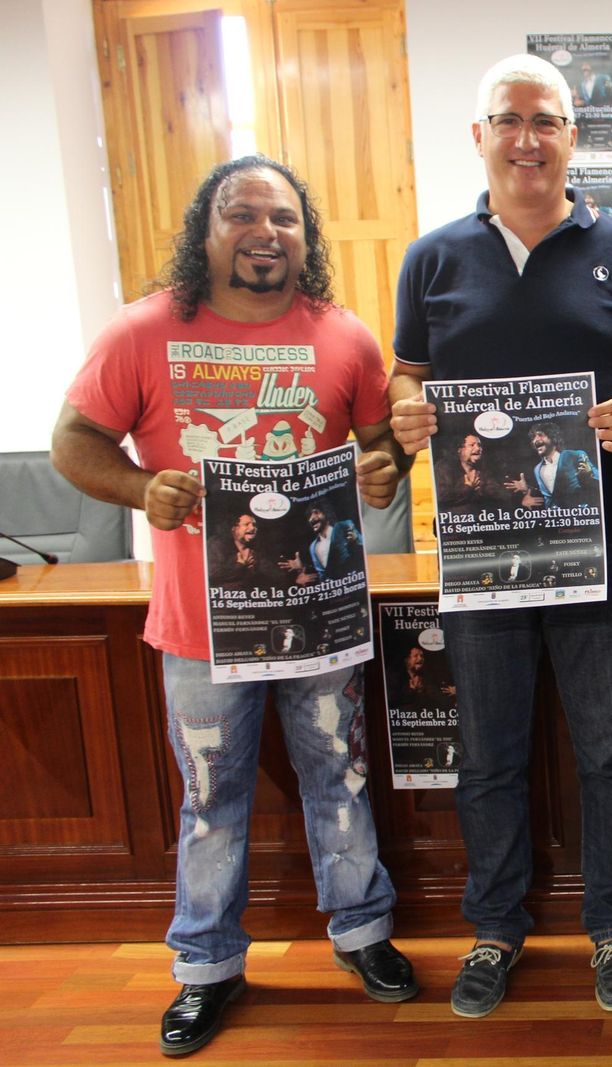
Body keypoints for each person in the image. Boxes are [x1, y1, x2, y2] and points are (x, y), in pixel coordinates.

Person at [51, 154, 416, 1057]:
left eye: (284, 217)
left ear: (306, 235)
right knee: (211, 795)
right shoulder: (141, 332)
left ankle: (363, 936)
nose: (265, 231)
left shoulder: (347, 337)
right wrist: (143, 491)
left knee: (343, 776)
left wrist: (385, 469)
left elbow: (381, 448)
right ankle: (207, 967)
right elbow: (73, 443)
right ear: (204, 231)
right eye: (242, 214)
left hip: (322, 616)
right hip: (202, 627)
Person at [387, 54, 612, 1018]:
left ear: (572, 136)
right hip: (482, 552)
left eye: (546, 120)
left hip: (602, 540)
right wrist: (403, 411)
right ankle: (495, 930)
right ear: (478, 135)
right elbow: (405, 375)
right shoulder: (432, 257)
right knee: (490, 753)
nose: (527, 137)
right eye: (508, 119)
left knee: (608, 748)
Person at [508, 421, 598, 509]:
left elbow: (599, 481)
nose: (535, 440)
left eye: (540, 435)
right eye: (533, 438)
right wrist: (526, 490)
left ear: (553, 437)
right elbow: (551, 495)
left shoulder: (574, 456)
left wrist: (589, 474)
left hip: (578, 516)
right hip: (554, 518)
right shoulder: (537, 469)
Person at [282, 501, 362, 584]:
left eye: (316, 512)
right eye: (309, 516)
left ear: (326, 513)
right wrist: (302, 566)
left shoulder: (343, 527)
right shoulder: (313, 546)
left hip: (350, 585)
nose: (311, 519)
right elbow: (323, 574)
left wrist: (355, 541)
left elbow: (363, 550)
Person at [437, 432, 506, 511]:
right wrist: (468, 488)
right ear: (459, 449)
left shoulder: (484, 470)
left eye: (479, 445)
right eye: (472, 445)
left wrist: (520, 490)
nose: (478, 448)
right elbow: (441, 498)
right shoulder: (444, 467)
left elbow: (498, 494)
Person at [210, 512, 277, 590]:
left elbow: (274, 575)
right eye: (246, 524)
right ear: (234, 528)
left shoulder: (258, 549)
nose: (252, 528)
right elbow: (212, 575)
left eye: (254, 525)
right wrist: (240, 565)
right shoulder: (216, 545)